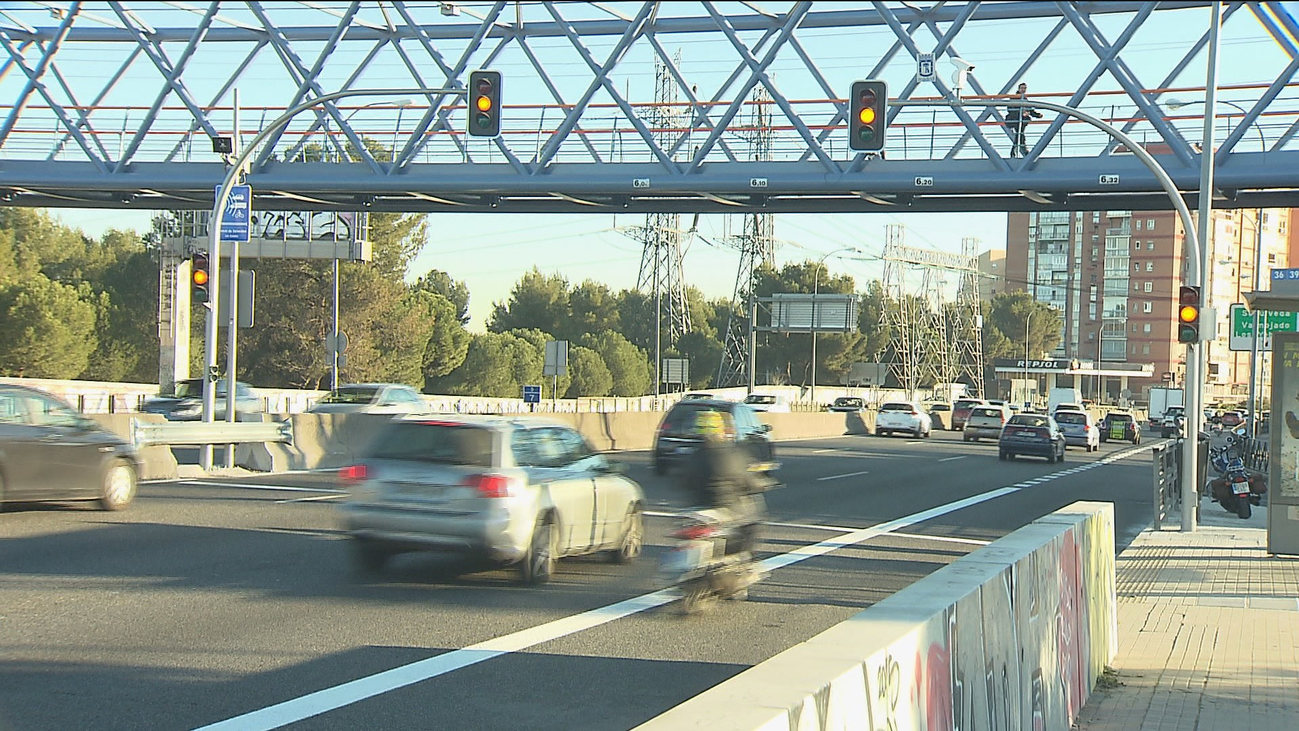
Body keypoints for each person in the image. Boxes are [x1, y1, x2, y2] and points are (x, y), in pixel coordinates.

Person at [680, 409, 766, 555]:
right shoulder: (731, 454)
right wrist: (758, 484)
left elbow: (684, 482)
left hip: (697, 508)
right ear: (721, 429)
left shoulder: (693, 456)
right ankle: (745, 556)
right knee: (751, 521)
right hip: (726, 508)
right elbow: (747, 480)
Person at [1005, 82, 1042, 158]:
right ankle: (1021, 152)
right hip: (1016, 120)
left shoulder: (1024, 99)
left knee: (1020, 135)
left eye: (1024, 88)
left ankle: (1017, 152)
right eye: (1022, 88)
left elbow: (1029, 110)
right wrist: (1021, 114)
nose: (1023, 90)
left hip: (1021, 120)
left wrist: (1037, 115)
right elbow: (1010, 109)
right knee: (1020, 135)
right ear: (1018, 89)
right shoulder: (1014, 98)